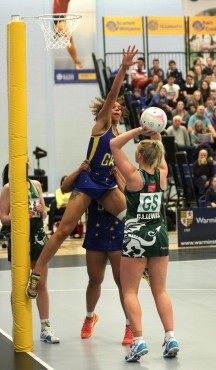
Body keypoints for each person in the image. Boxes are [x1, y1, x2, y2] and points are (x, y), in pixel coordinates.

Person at [26, 45, 138, 299]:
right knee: (64, 229)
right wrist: (123, 68)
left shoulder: (119, 136)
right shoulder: (101, 123)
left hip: (106, 184)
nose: (116, 108)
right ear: (105, 110)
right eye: (113, 106)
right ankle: (36, 273)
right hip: (88, 182)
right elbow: (111, 94)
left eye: (120, 107)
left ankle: (140, 266)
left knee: (131, 221)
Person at [110, 126, 179, 362]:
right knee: (160, 289)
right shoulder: (161, 173)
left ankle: (138, 341)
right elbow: (158, 150)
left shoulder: (133, 176)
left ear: (139, 156)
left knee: (130, 290)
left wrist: (140, 129)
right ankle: (170, 337)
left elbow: (114, 145)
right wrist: (155, 131)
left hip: (136, 237)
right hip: (159, 233)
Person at [61, 161, 133, 344]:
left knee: (122, 283)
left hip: (117, 233)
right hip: (95, 233)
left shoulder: (118, 171)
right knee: (94, 280)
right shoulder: (89, 174)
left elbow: (130, 197)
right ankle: (89, 317)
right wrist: (79, 169)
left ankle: (129, 325)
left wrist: (118, 175)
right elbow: (64, 188)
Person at [0, 163, 59, 344]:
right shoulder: (8, 188)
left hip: (38, 237)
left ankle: (45, 327)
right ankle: (18, 325)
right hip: (19, 238)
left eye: (26, 164)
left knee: (40, 282)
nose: (25, 167)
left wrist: (42, 210)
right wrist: (21, 214)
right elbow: (3, 218)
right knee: (19, 283)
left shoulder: (36, 185)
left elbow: (44, 216)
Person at [53, 0, 83, 69]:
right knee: (68, 37)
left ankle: (76, 62)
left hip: (61, 18)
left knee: (69, 39)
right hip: (54, 17)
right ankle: (77, 62)